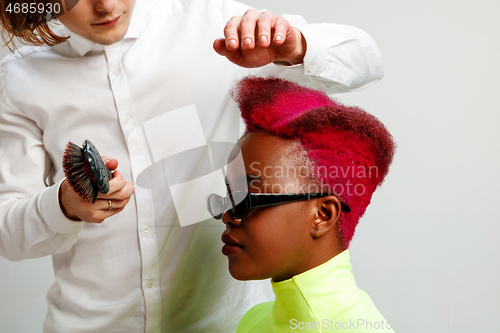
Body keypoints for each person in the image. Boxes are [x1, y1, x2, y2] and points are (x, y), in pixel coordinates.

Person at [0, 0, 384, 332]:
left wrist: (296, 46)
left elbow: (366, 59)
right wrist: (65, 207)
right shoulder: (20, 78)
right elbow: (7, 233)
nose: (105, 6)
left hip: (226, 325)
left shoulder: (208, 22)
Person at [207, 76, 396, 332]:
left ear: (323, 214)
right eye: (229, 196)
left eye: (247, 199)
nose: (228, 216)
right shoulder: (254, 320)